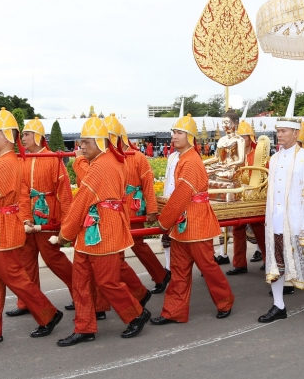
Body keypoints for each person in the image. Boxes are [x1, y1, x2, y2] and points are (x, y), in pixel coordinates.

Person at [0, 109, 62, 348]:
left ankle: (48, 313)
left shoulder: (6, 163)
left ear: (7, 136)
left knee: (13, 277)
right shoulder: (2, 160)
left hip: (2, 229)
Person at [53, 116, 151, 346]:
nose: (81, 146)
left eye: (86, 142)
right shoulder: (109, 161)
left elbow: (82, 201)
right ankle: (84, 327)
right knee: (81, 281)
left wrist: (63, 235)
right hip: (94, 229)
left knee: (107, 281)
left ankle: (136, 314)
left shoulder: (102, 166)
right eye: (81, 142)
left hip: (102, 230)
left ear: (99, 142)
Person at [151, 114, 234, 325]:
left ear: (190, 137)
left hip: (196, 223)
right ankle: (173, 312)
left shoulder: (191, 161)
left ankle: (225, 301)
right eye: (173, 132)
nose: (173, 137)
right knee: (179, 271)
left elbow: (181, 196)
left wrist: (163, 222)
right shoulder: (184, 158)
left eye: (178, 133)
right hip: (183, 223)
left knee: (207, 267)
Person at [258, 92, 304, 324]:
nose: (279, 135)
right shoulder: (275, 158)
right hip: (277, 220)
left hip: (298, 220)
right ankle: (278, 306)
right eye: (277, 131)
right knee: (276, 261)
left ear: (296, 133)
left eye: (283, 131)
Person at [5, 118, 74, 318]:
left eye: (26, 134)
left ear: (37, 137)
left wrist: (66, 222)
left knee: (54, 259)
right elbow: (22, 192)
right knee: (26, 261)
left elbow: (65, 191)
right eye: (23, 134)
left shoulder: (53, 158)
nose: (23, 138)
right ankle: (27, 303)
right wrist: (25, 218)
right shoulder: (22, 160)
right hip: (28, 220)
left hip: (49, 216)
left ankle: (83, 295)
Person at [116, 118, 172, 293]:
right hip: (114, 208)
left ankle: (160, 275)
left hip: (132, 207)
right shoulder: (108, 157)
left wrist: (152, 209)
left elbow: (148, 183)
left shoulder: (137, 157)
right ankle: (120, 285)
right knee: (116, 248)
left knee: (137, 244)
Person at [228, 106, 268, 275]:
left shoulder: (259, 155)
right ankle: (239, 264)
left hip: (255, 199)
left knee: (260, 231)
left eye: (244, 137)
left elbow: (264, 177)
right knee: (237, 230)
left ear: (250, 138)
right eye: (239, 137)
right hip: (239, 197)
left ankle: (270, 261)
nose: (241, 140)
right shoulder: (234, 156)